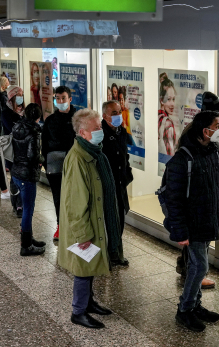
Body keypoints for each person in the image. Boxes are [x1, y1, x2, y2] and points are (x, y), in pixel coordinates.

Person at [164, 110, 219, 332]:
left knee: (196, 265)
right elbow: (174, 199)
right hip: (192, 224)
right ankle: (185, 309)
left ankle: (196, 305)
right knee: (200, 266)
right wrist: (180, 231)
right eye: (217, 125)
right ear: (205, 130)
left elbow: (218, 187)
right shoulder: (183, 159)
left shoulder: (213, 150)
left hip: (208, 219)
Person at [58, 109, 115, 329]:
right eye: (97, 128)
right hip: (83, 225)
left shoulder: (91, 153)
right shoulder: (78, 159)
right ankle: (78, 311)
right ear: (83, 133)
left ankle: (89, 303)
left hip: (93, 220)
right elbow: (75, 202)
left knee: (90, 265)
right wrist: (82, 234)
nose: (101, 131)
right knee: (83, 268)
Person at [42, 86, 78, 241]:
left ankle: (76, 227)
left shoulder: (79, 119)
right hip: (55, 164)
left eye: (63, 98)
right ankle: (60, 226)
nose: (60, 101)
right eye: (57, 98)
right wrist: (46, 161)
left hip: (75, 163)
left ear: (70, 99)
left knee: (76, 196)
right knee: (58, 197)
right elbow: (44, 143)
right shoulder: (50, 120)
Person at [101, 100, 133, 267]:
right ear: (105, 116)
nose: (118, 115)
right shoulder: (100, 133)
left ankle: (116, 252)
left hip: (120, 182)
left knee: (120, 218)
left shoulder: (122, 131)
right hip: (108, 183)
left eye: (119, 111)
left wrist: (127, 174)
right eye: (114, 113)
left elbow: (124, 155)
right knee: (109, 220)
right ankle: (110, 253)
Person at [12, 103, 46, 256]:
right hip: (27, 174)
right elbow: (33, 156)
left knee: (26, 207)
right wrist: (43, 159)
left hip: (17, 171)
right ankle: (26, 246)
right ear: (38, 117)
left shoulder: (17, 126)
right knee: (28, 209)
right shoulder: (34, 131)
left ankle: (29, 238)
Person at [2, 85, 25, 217]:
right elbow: (13, 130)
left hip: (23, 150)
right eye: (19, 94)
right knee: (15, 177)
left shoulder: (24, 111)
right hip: (12, 150)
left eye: (22, 94)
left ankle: (21, 203)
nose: (21, 97)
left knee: (21, 177)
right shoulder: (6, 112)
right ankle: (17, 204)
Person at [158, 79, 178, 156]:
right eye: (168, 99)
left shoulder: (156, 117)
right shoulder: (168, 123)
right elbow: (171, 154)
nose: (172, 104)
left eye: (173, 99)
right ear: (161, 100)